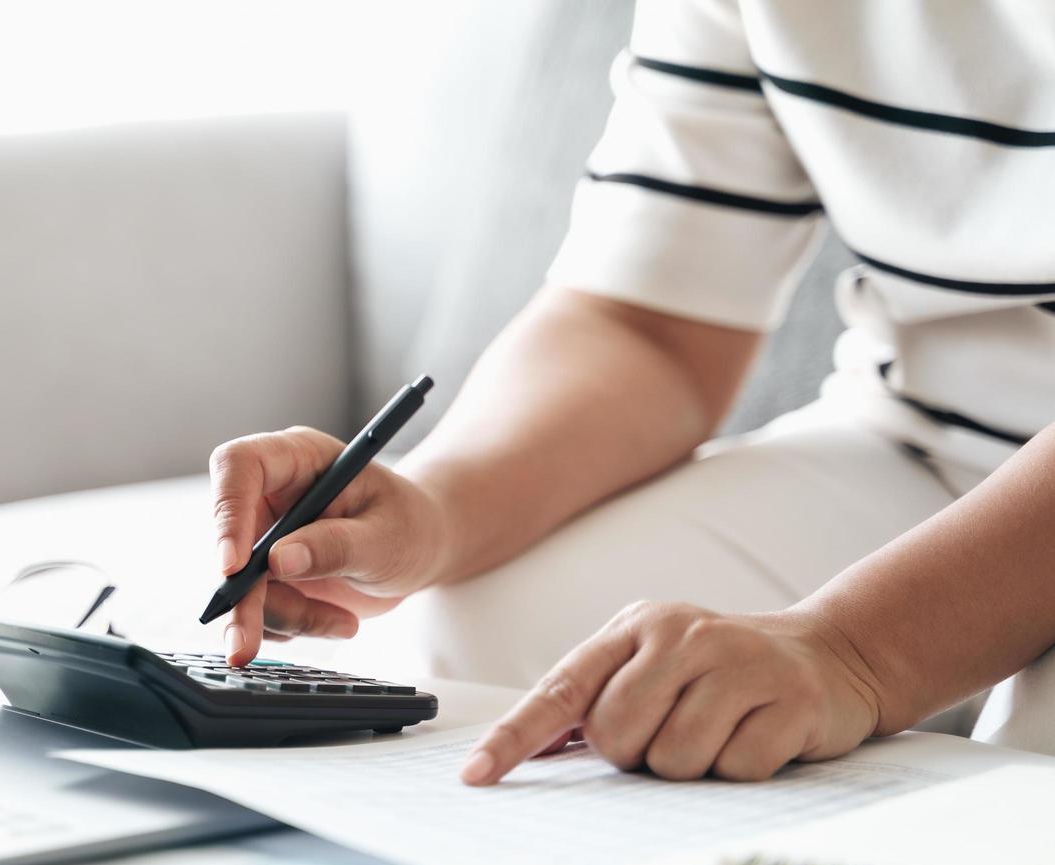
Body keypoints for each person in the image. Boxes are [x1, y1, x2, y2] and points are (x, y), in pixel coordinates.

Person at [207, 0, 1055, 785]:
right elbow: (651, 325)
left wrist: (856, 653)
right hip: (924, 435)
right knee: (498, 631)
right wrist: (437, 506)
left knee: (1031, 758)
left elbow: (857, 653)